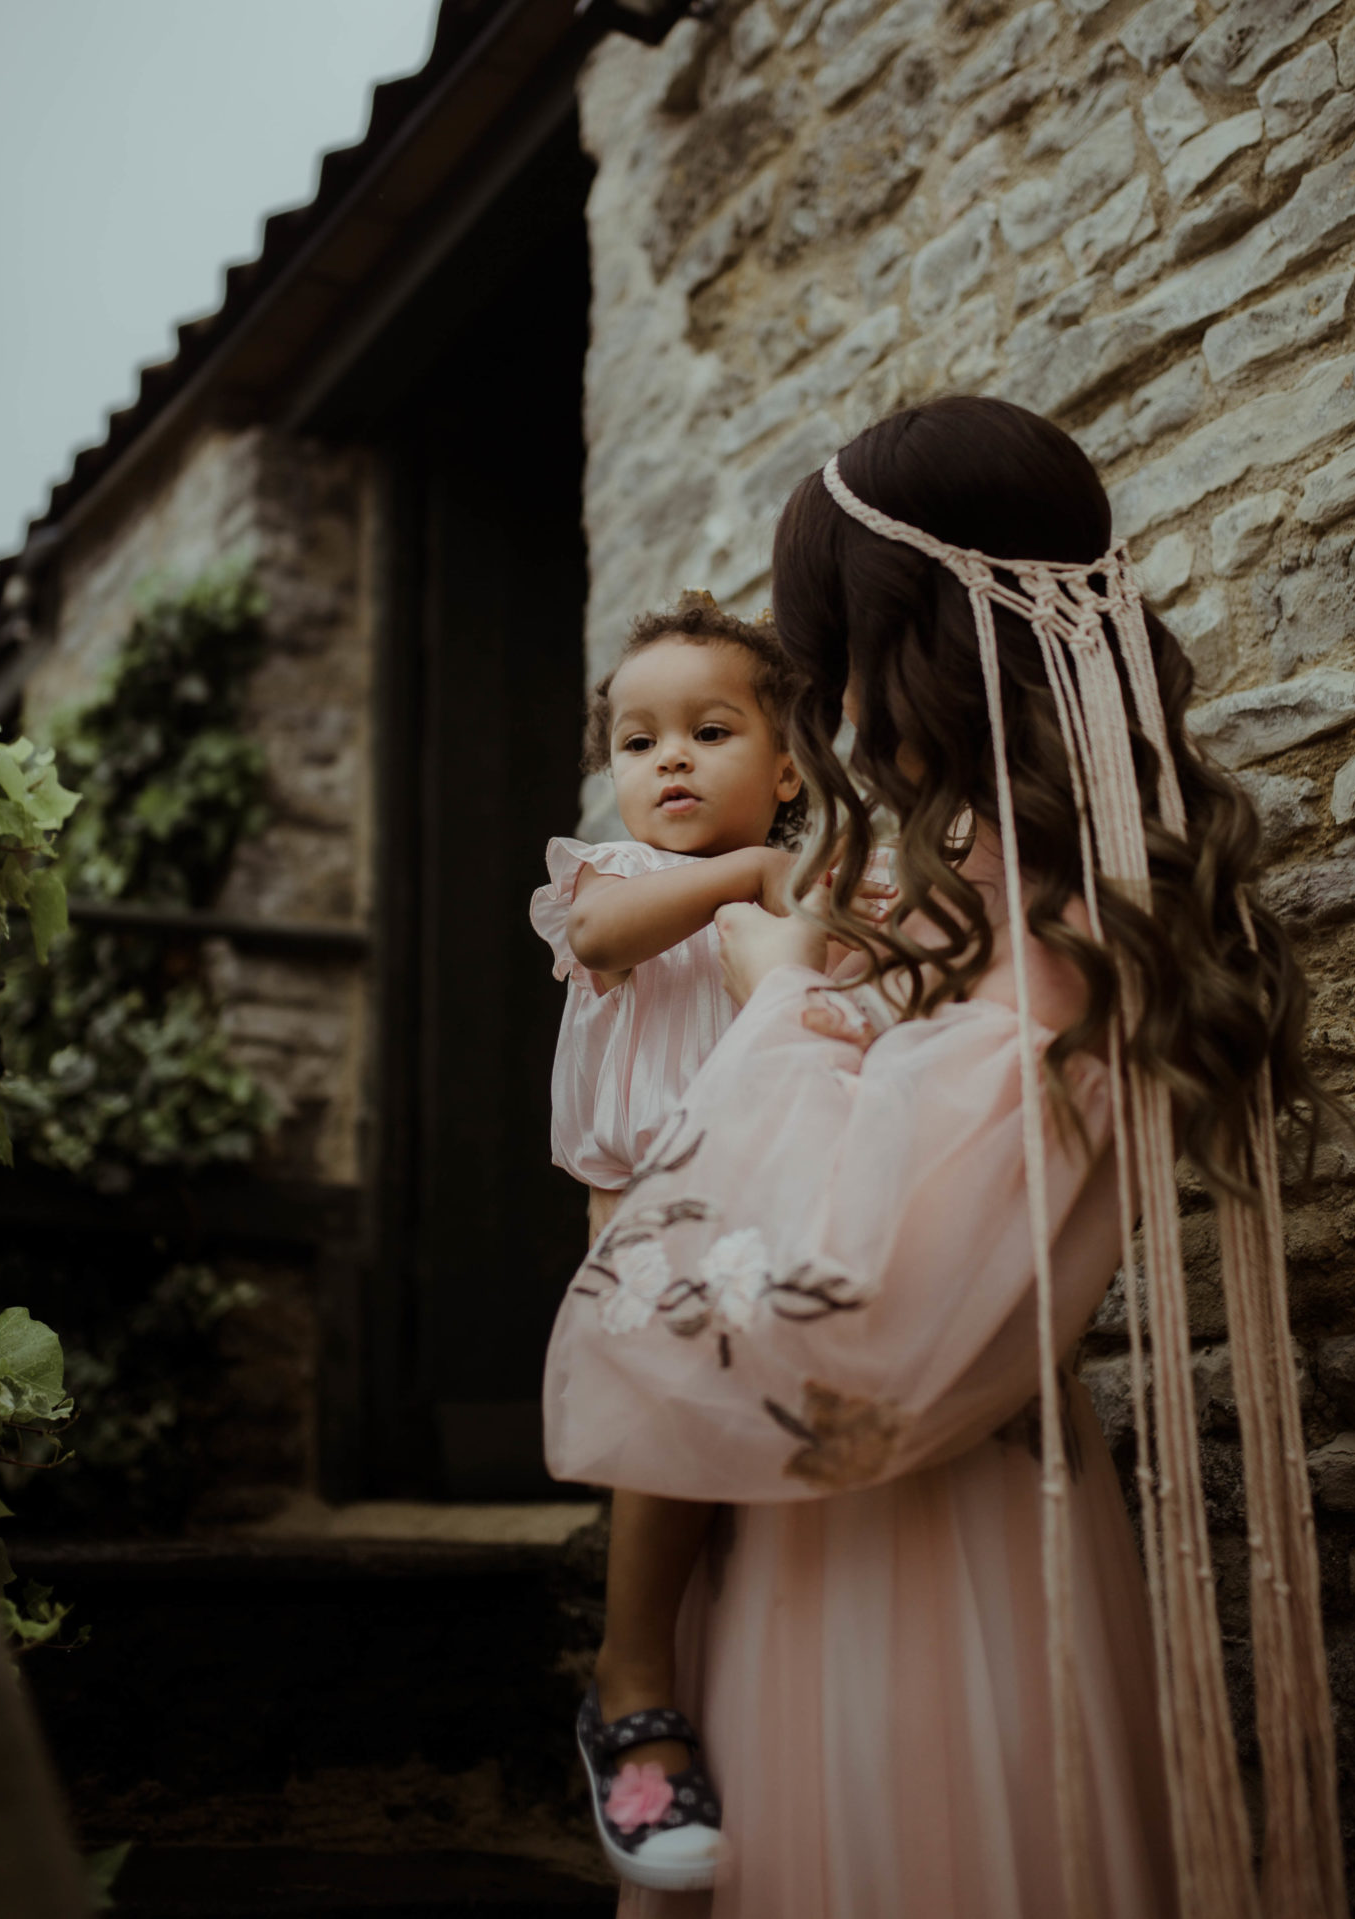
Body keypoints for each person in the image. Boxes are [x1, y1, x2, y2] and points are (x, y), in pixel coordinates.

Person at [543, 396, 1347, 1919]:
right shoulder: (975, 864)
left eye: (829, 659)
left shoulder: (1067, 906)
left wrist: (776, 986)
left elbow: (883, 1246)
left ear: (902, 643)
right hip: (840, 1487)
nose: (831, 717)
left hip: (920, 1537)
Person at [530, 592, 894, 1893]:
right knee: (676, 1452)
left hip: (777, 1227)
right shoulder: (623, 882)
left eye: (709, 729)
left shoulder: (832, 886)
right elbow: (600, 937)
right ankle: (627, 1691)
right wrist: (747, 878)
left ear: (790, 761)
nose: (668, 758)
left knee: (744, 1534)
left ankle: (725, 1740)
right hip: (662, 1232)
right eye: (639, 741)